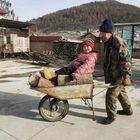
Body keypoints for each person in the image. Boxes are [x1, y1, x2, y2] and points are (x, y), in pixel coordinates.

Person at [99, 19, 133, 124]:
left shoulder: (119, 43)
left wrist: (125, 76)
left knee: (111, 94)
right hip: (114, 73)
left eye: (102, 33)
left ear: (110, 32)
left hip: (120, 74)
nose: (100, 35)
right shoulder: (107, 42)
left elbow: (126, 60)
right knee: (121, 93)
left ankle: (111, 117)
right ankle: (128, 110)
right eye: (100, 33)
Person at [29, 40, 98, 87]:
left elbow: (85, 67)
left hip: (83, 71)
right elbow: (74, 61)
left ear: (92, 47)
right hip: (76, 68)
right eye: (84, 46)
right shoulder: (83, 54)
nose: (86, 48)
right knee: (65, 69)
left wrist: (77, 73)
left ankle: (52, 76)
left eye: (88, 46)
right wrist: (69, 65)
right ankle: (51, 76)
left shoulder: (91, 57)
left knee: (66, 71)